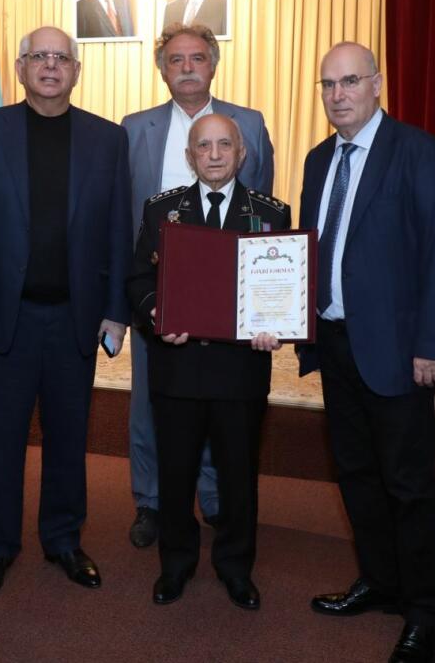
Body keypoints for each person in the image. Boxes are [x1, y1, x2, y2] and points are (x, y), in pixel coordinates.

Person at [298, 41, 435, 663]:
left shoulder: (418, 151)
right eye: (328, 85)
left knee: (407, 483)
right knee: (356, 473)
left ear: (377, 85)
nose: (338, 95)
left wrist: (432, 344)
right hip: (335, 343)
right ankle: (379, 579)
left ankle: (423, 608)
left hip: (398, 351)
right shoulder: (319, 159)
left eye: (350, 81)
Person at [0, 25, 132, 599]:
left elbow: (118, 229)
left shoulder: (108, 139)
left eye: (61, 57)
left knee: (68, 437)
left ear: (77, 70)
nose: (50, 66)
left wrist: (116, 311)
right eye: (39, 56)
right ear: (20, 67)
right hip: (3, 316)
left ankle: (63, 539)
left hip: (74, 317)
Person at [126, 113, 290, 610]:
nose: (214, 155)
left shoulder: (271, 215)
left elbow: (282, 289)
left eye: (224, 145)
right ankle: (175, 565)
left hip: (239, 373)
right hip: (176, 369)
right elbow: (138, 280)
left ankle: (236, 568)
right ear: (189, 156)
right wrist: (156, 314)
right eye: (203, 146)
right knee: (175, 476)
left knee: (239, 478)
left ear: (242, 154)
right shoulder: (162, 211)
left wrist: (276, 325)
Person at [121, 22, 274, 548]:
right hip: (158, 290)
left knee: (218, 397)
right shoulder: (134, 128)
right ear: (162, 70)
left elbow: (262, 212)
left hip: (228, 293)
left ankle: (212, 496)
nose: (187, 68)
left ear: (213, 64)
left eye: (197, 58)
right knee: (149, 400)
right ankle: (151, 500)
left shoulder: (248, 123)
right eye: (176, 60)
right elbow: (125, 215)